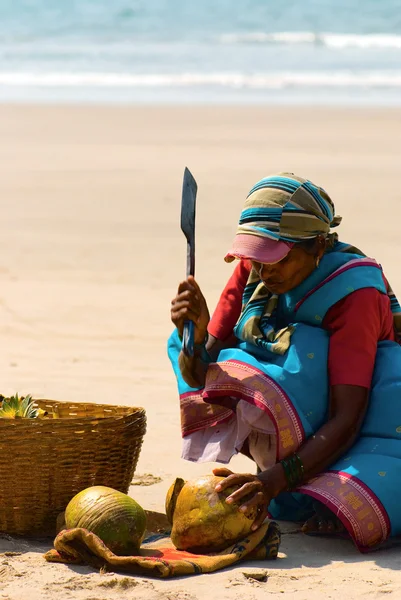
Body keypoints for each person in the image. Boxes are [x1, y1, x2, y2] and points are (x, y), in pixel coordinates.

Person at [169, 172, 401, 552]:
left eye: (278, 258)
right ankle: (297, 483)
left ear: (320, 246)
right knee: (193, 348)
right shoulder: (254, 270)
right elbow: (202, 378)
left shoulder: (354, 295)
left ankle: (306, 484)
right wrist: (191, 340)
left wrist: (273, 481)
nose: (265, 271)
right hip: (312, 418)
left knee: (303, 347)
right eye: (257, 258)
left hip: (372, 423)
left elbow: (349, 416)